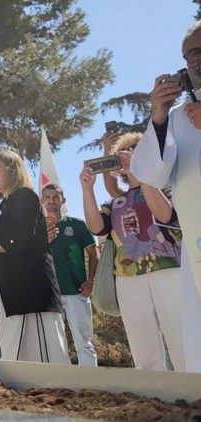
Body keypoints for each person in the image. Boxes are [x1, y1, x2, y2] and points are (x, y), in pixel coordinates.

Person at [131, 19, 201, 373]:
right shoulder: (177, 118)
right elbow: (150, 174)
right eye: (190, 55)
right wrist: (158, 116)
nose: (196, 61)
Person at [81, 133, 185, 371]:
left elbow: (164, 215)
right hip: (128, 278)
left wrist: (143, 176)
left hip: (168, 268)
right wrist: (87, 189)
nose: (129, 154)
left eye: (137, 149)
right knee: (143, 344)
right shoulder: (115, 203)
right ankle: (155, 396)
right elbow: (96, 226)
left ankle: (192, 390)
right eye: (125, 152)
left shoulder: (167, 189)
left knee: (179, 334)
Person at [0, 150, 69, 364]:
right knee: (15, 351)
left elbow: (19, 241)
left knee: (41, 356)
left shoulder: (24, 196)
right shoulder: (3, 206)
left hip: (31, 291)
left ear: (13, 170)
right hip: (13, 291)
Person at [41, 183, 98, 366]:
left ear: (62, 199)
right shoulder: (36, 229)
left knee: (84, 342)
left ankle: (91, 385)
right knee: (53, 344)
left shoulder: (77, 225)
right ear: (42, 201)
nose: (52, 201)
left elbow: (93, 253)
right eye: (47, 197)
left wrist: (91, 281)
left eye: (55, 197)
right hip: (49, 295)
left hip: (76, 292)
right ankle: (58, 385)